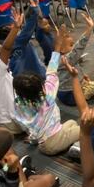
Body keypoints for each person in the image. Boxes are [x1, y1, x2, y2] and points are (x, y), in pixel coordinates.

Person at [12, 26, 80, 155]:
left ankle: (71, 139)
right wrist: (58, 47)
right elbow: (52, 70)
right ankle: (77, 148)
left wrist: (33, 138)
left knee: (71, 122)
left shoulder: (18, 104)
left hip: (42, 142)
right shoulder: (48, 94)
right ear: (39, 86)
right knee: (87, 129)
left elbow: (26, 125)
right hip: (54, 141)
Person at [56, 12, 94, 106]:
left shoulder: (62, 58)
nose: (73, 47)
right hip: (71, 96)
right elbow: (78, 48)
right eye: (71, 45)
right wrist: (89, 28)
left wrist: (83, 76)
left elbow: (75, 66)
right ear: (61, 49)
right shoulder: (65, 59)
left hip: (66, 91)